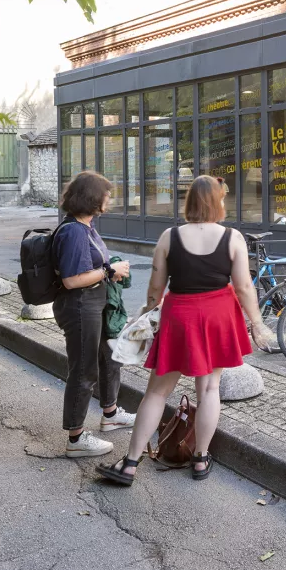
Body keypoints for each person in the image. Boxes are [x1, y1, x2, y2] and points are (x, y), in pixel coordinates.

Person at [97, 175, 272, 485]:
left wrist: (149, 314)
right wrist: (257, 325)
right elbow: (244, 286)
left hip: (180, 314)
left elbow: (155, 287)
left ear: (189, 201)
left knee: (156, 392)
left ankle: (130, 464)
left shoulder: (169, 237)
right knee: (208, 390)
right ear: (219, 201)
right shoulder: (232, 237)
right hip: (218, 314)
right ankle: (201, 459)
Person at [53, 171, 135, 458]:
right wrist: (109, 271)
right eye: (106, 194)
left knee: (109, 358)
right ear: (92, 198)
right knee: (84, 369)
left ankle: (110, 414)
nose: (109, 199)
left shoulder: (86, 227)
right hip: (80, 307)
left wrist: (110, 270)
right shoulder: (74, 231)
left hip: (94, 304)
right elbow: (71, 280)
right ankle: (75, 439)